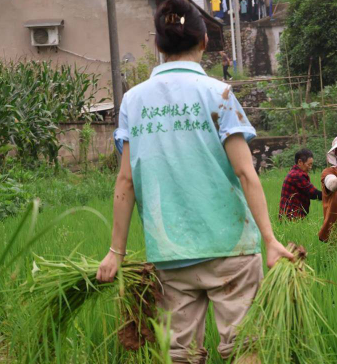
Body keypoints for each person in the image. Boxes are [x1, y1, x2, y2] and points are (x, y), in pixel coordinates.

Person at [95, 1, 294, 363]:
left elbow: (126, 181)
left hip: (171, 253)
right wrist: (270, 240)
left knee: (180, 355)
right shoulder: (218, 95)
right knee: (246, 347)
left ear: (157, 44)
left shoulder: (133, 102)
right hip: (231, 248)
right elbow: (245, 172)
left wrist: (116, 252)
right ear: (204, 42)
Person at [278, 148, 322, 220]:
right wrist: (329, 195)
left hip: (291, 214)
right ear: (300, 162)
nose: (310, 167)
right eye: (309, 164)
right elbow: (312, 193)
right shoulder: (297, 175)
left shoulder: (295, 173)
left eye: (311, 165)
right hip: (291, 215)